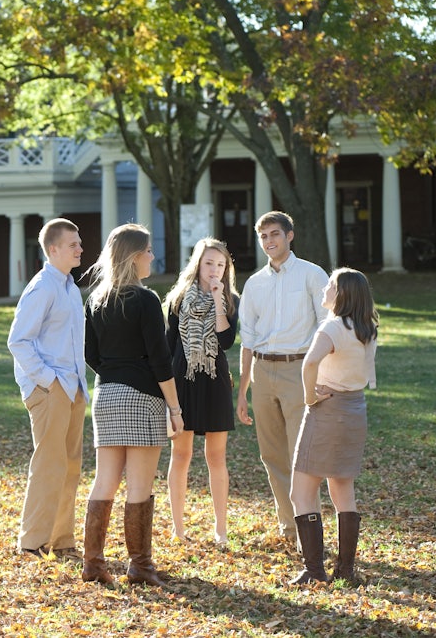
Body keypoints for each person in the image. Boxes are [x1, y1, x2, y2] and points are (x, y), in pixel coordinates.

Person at [81, 223, 183, 587]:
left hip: (106, 395)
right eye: (149, 250)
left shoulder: (95, 299)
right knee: (139, 484)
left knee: (104, 480)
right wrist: (175, 408)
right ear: (134, 255)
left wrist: (114, 372)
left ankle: (93, 563)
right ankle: (140, 566)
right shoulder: (145, 300)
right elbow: (161, 360)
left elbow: (89, 353)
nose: (153, 257)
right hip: (142, 398)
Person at [236, 211, 329, 543]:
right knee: (272, 454)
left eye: (275, 234)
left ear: (290, 236)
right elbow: (247, 337)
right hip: (262, 371)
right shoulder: (255, 283)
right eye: (263, 237)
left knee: (300, 455)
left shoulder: (312, 274)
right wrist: (243, 389)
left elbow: (327, 326)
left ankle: (310, 530)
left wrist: (319, 375)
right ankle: (289, 529)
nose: (269, 241)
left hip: (299, 368)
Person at [7, 217, 88, 562]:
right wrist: (48, 380)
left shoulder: (69, 286)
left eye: (79, 243)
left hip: (74, 388)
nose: (80, 248)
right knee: (49, 465)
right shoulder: (42, 287)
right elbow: (18, 341)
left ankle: (62, 539)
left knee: (70, 466)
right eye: (73, 244)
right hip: (51, 389)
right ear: (53, 249)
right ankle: (31, 543)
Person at [289, 268, 377, 585]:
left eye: (331, 284)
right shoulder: (367, 327)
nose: (325, 288)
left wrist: (309, 397)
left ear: (343, 294)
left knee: (301, 490)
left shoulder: (334, 326)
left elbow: (310, 362)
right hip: (355, 409)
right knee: (342, 489)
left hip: (328, 411)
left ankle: (314, 571)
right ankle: (346, 571)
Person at [164, 238, 240, 545]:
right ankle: (178, 527)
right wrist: (168, 398)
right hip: (182, 380)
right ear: (197, 264)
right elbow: (168, 348)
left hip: (215, 379)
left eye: (220, 265)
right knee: (180, 454)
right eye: (209, 263)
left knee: (216, 456)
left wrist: (219, 301)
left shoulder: (231, 298)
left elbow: (226, 342)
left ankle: (220, 528)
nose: (214, 270)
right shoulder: (178, 297)